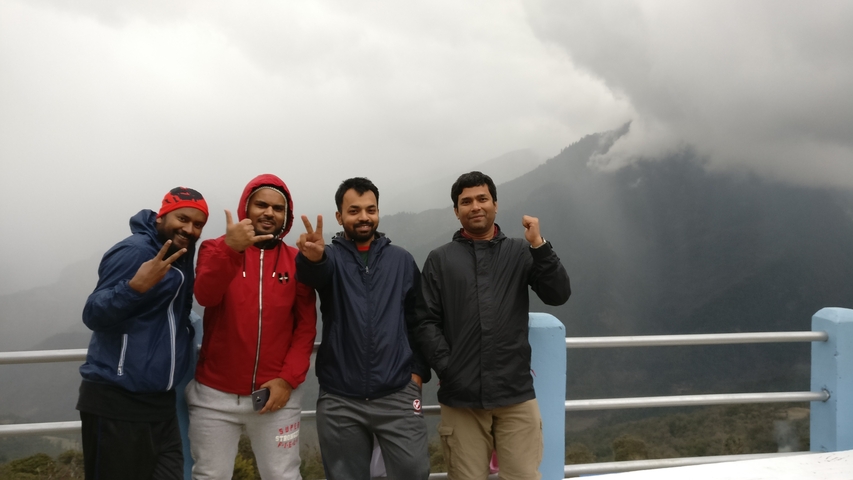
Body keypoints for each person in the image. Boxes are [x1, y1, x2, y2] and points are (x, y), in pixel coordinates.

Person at [415, 171, 571, 480]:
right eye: (466, 201)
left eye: (482, 199)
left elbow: (558, 294)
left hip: (515, 394)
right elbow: (425, 321)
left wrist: (539, 245)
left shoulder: (520, 252)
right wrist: (449, 368)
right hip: (462, 399)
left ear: (495, 205)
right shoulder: (440, 259)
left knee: (523, 476)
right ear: (456, 210)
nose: (475, 206)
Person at [295, 177, 431, 480]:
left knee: (414, 471)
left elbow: (418, 320)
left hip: (397, 390)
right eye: (354, 211)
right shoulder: (329, 258)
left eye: (371, 209)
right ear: (339, 217)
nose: (364, 217)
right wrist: (313, 259)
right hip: (340, 396)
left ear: (378, 212)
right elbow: (311, 275)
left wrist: (418, 374)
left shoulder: (401, 260)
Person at [187, 174, 317, 480]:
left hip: (276, 397)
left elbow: (306, 328)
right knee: (209, 475)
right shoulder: (214, 248)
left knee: (283, 475)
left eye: (278, 208)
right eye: (261, 204)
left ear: (287, 217)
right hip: (214, 398)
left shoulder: (296, 261)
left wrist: (287, 380)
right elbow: (205, 295)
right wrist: (231, 250)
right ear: (246, 207)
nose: (269, 213)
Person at [77, 186, 209, 480]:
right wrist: (133, 288)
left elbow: (181, 308)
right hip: (116, 402)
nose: (189, 229)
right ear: (162, 215)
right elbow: (93, 313)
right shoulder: (134, 251)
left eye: (198, 224)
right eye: (182, 219)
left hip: (160, 405)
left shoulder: (181, 254)